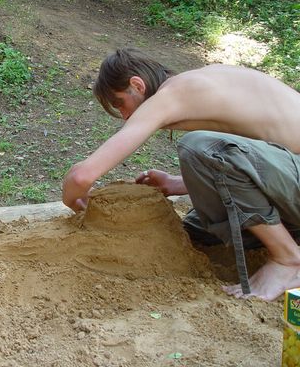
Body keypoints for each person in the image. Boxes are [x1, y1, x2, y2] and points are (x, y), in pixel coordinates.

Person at [62, 48, 300, 302]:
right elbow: (253, 153)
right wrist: (177, 183)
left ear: (137, 85)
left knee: (198, 147)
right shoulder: (208, 83)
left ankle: (288, 259)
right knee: (197, 229)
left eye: (120, 103)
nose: (125, 116)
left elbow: (81, 177)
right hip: (291, 178)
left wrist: (74, 198)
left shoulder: (174, 93)